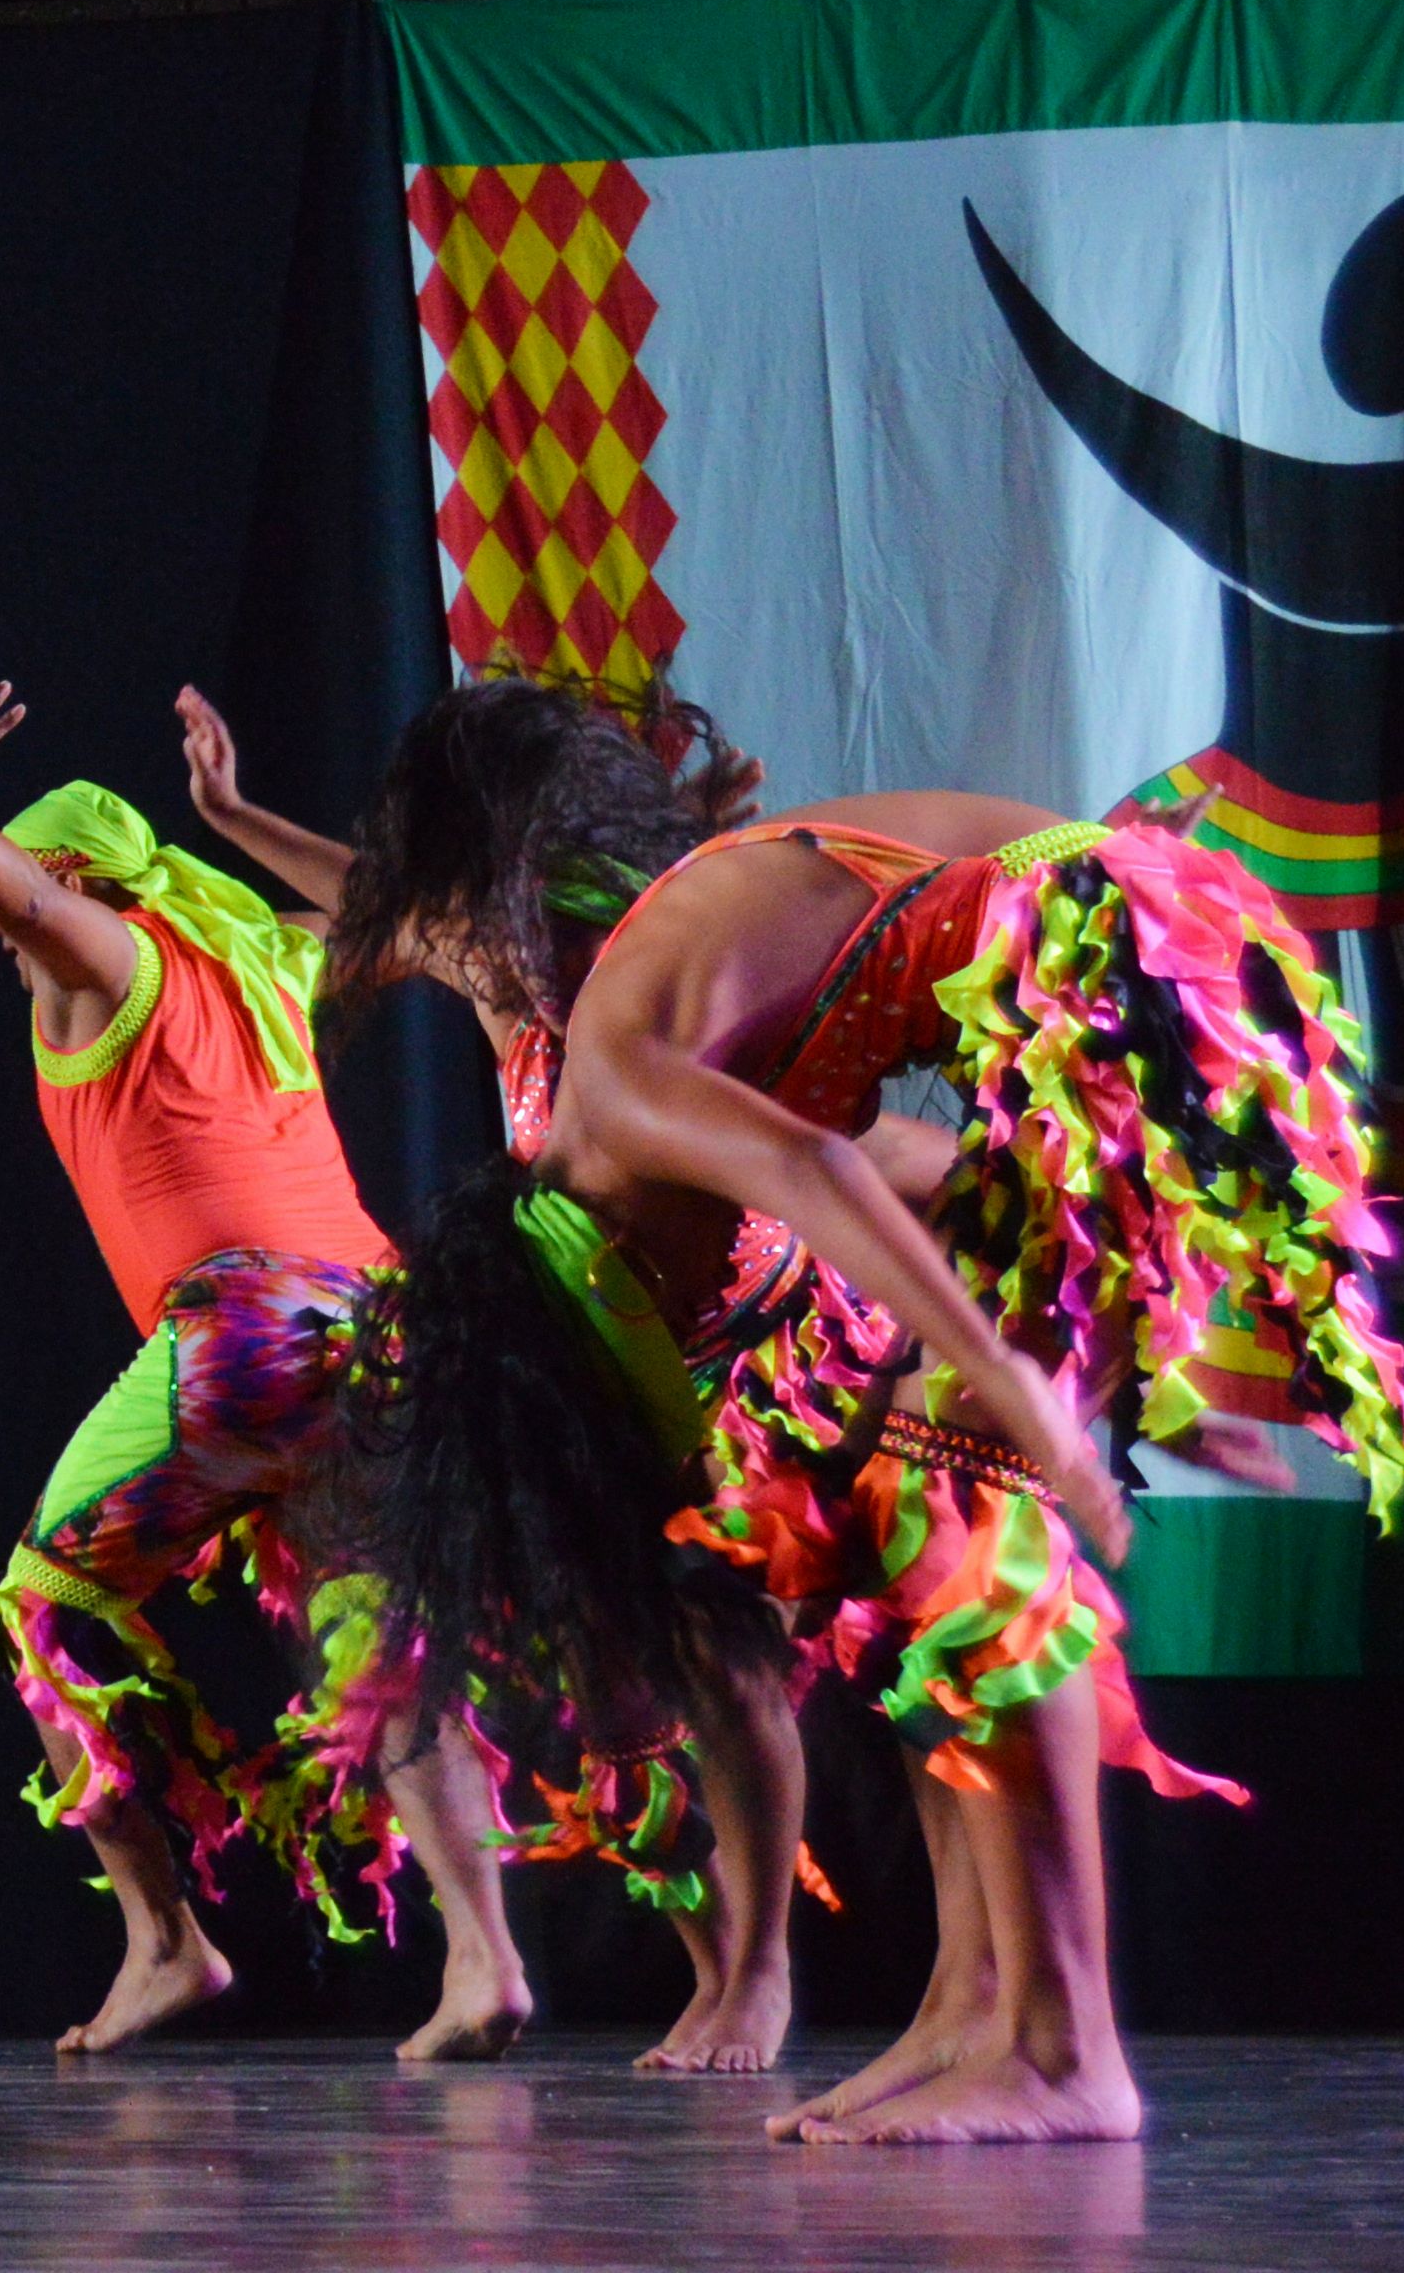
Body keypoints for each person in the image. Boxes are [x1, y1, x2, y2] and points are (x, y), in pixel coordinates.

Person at [318, 674, 1404, 2147]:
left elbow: (835, 1181)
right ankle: (974, 2009)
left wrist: (1027, 1408)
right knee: (898, 1529)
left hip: (1107, 947)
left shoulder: (611, 1092)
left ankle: (1064, 2046)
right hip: (1102, 972)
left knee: (941, 1498)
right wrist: (1138, 1375)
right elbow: (939, 1177)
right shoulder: (660, 1032)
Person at [0, 714, 537, 2064]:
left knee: (42, 1607)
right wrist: (232, 817)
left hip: (248, 1335)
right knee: (381, 1658)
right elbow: (406, 915)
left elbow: (35, 905)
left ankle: (167, 1941)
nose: (12, 947)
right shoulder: (263, 954)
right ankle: (485, 1962)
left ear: (88, 888)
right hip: (378, 1332)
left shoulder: (107, 965)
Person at [176, 679, 822, 2077]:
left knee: (722, 1645)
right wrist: (230, 820)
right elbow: (369, 911)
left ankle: (761, 1967)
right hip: (577, 1320)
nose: (516, 950)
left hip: (729, 1316)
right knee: (611, 1668)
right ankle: (712, 1961)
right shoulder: (485, 947)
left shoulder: (657, 927)